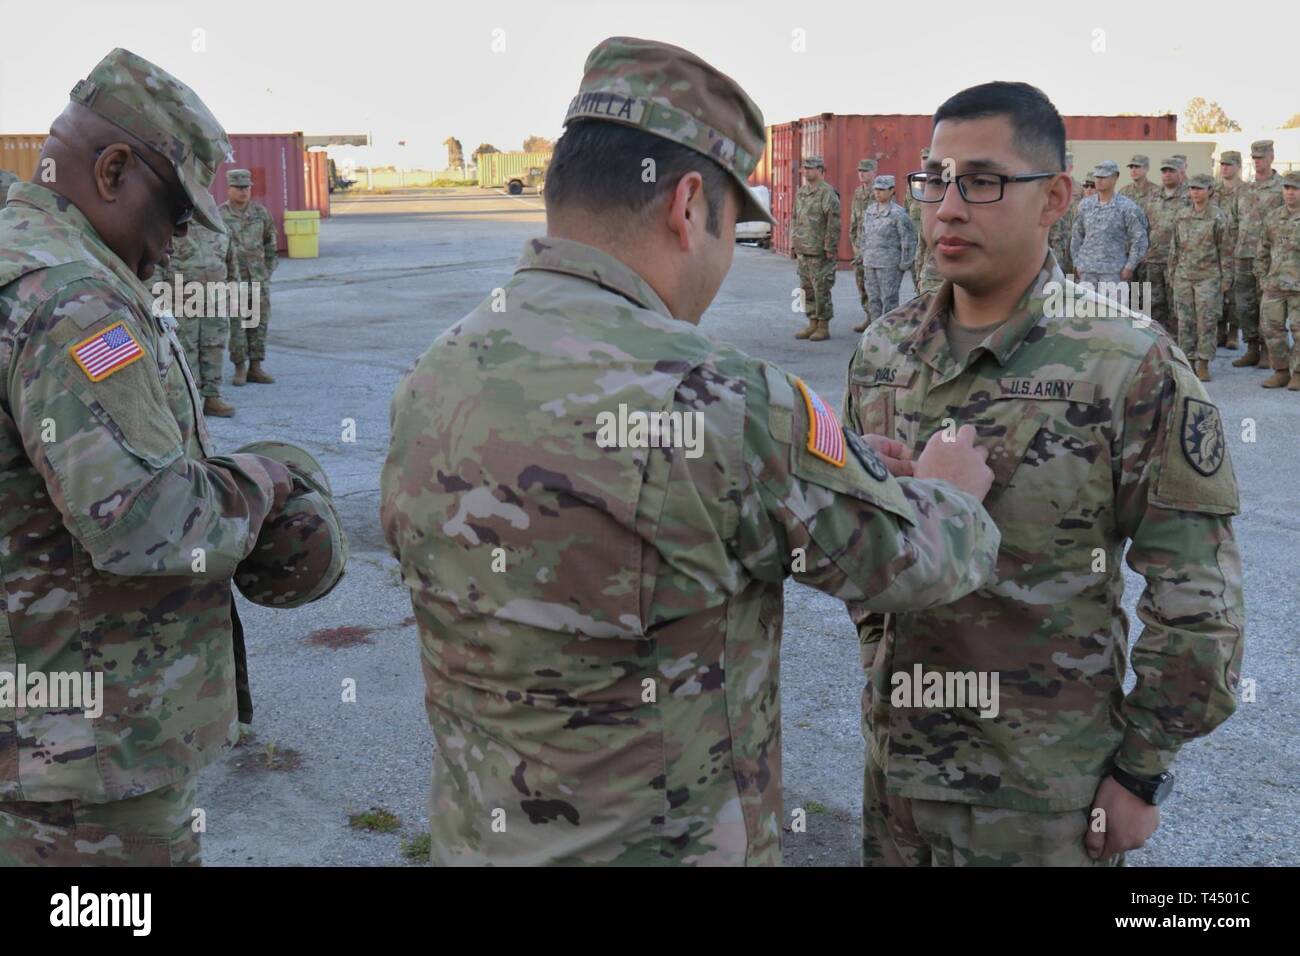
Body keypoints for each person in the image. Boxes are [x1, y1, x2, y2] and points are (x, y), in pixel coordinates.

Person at [380, 35, 1003, 867]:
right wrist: (951, 491)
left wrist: (835, 466)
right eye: (727, 223)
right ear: (686, 206)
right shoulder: (722, 398)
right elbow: (914, 564)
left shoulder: (436, 369)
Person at [847, 81, 1244, 867]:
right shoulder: (885, 352)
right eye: (935, 179)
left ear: (1055, 197)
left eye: (984, 182)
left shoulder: (1126, 362)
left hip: (1042, 802)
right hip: (897, 781)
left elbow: (1199, 599)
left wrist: (1140, 773)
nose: (948, 207)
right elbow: (860, 557)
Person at [0, 48, 342, 865]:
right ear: (113, 169)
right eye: (176, 217)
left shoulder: (24, 257)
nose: (175, 246)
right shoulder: (73, 302)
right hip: (84, 770)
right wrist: (264, 476)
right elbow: (146, 522)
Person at [152, 220, 241, 416]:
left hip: (215, 298)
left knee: (214, 347)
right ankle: (189, 402)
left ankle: (212, 397)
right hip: (181, 300)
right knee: (185, 350)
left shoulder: (219, 226)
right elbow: (157, 264)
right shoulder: (171, 226)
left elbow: (231, 263)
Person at [1168, 173, 1232, 381]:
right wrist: (1172, 273)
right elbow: (1174, 247)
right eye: (1192, 188)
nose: (1195, 192)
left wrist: (1226, 279)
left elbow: (1225, 249)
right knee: (1185, 320)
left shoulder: (1217, 217)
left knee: (1206, 320)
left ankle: (1203, 362)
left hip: (1208, 277)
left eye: (1200, 189)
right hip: (1184, 275)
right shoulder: (1182, 215)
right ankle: (1187, 360)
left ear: (1210, 191)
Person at [1231, 140, 1287, 371]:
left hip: (1270, 258)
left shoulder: (1283, 187)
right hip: (1243, 255)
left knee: (1268, 306)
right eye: (1254, 158)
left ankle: (1267, 351)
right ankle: (1252, 348)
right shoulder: (1244, 189)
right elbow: (1234, 222)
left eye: (1262, 157)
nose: (1258, 162)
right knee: (1245, 305)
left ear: (1272, 157)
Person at [221, 168, 278, 384]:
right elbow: (217, 247)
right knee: (238, 325)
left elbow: (270, 243)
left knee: (259, 323)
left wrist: (267, 270)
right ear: (229, 189)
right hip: (234, 279)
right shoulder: (220, 215)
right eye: (238, 187)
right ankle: (240, 368)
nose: (243, 192)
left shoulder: (260, 213)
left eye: (246, 187)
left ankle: (256, 367)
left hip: (258, 279)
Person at [1069, 160, 1147, 299]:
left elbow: (1139, 239)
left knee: (1112, 317)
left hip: (1113, 273)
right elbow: (1076, 236)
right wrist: (1077, 262)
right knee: (1087, 315)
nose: (1099, 181)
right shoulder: (1085, 205)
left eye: (1104, 177)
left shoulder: (1126, 207)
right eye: (1097, 177)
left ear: (1115, 177)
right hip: (1087, 271)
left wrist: (1130, 266)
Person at [1256, 169, 1300, 390]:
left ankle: (1298, 373)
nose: (1290, 193)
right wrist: (1262, 276)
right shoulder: (1273, 217)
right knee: (1272, 329)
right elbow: (1262, 249)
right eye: (1286, 188)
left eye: (1295, 188)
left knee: (1299, 330)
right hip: (1274, 285)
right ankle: (1281, 371)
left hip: (1298, 286)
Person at [791, 155, 840, 341]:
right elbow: (795, 218)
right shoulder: (802, 191)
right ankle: (811, 322)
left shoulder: (827, 193)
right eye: (805, 168)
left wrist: (830, 247)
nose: (806, 171)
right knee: (806, 288)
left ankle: (823, 325)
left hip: (819, 251)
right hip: (803, 248)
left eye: (810, 168)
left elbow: (833, 222)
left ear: (820, 170)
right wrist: (793, 243)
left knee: (821, 288)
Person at [858, 174, 916, 327]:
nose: (877, 193)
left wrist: (905, 263)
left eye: (882, 190)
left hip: (890, 264)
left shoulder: (899, 214)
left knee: (889, 299)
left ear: (891, 191)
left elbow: (908, 239)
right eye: (876, 189)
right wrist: (863, 254)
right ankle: (874, 330)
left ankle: (890, 331)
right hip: (870, 262)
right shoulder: (870, 211)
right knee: (873, 299)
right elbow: (864, 234)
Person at [1141, 157, 1191, 334]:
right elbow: (1145, 224)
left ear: (1180, 173)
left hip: (1177, 261)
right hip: (1154, 258)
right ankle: (1157, 340)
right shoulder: (1153, 195)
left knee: (1176, 305)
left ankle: (1176, 343)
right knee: (1154, 304)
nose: (1167, 174)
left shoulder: (1189, 196)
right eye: (1164, 171)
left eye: (1171, 171)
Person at [1212, 151, 1245, 348]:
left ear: (1238, 166)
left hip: (1237, 248)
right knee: (1217, 291)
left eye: (1229, 164)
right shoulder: (1214, 190)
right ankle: (1219, 330)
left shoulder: (1246, 191)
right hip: (1215, 249)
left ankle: (1233, 332)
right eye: (1222, 164)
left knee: (1234, 293)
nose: (1225, 167)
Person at [850, 158, 880, 332]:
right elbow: (853, 220)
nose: (862, 173)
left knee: (876, 285)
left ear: (874, 171)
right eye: (860, 170)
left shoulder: (880, 191)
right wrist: (854, 243)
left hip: (876, 247)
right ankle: (868, 316)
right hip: (860, 248)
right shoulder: (858, 193)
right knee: (861, 283)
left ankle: (878, 320)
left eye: (866, 170)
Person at [909, 147, 944, 296]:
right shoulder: (915, 183)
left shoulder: (944, 182)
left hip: (933, 241)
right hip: (916, 237)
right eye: (923, 158)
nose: (926, 161)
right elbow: (908, 206)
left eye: (929, 158)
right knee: (917, 280)